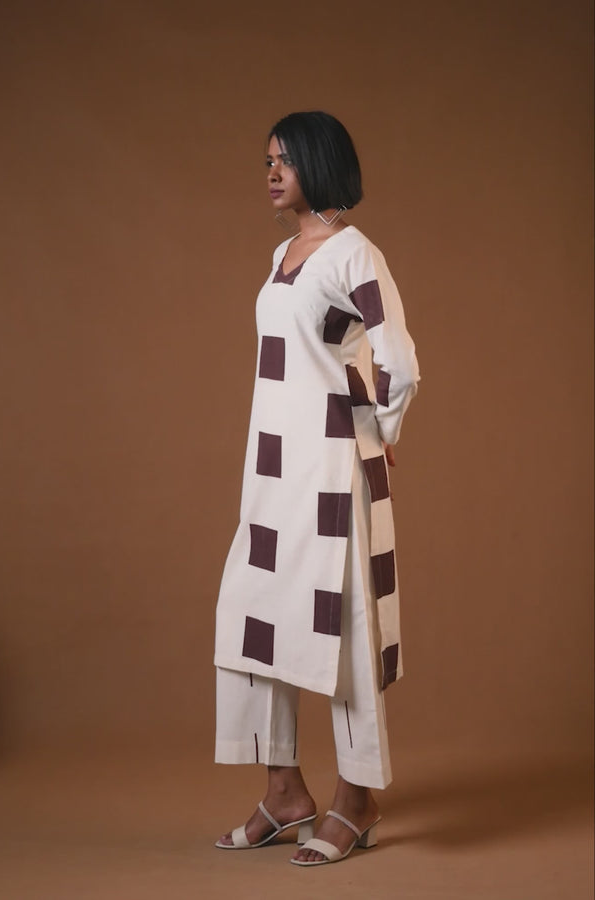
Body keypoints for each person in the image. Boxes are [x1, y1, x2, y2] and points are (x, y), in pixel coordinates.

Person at [213, 111, 419, 866]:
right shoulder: (282, 255)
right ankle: (284, 793)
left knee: (346, 626)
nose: (273, 173)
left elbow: (398, 362)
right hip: (272, 469)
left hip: (333, 471)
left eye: (287, 161)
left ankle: (356, 801)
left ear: (321, 165)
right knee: (254, 613)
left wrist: (378, 431)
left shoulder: (355, 253)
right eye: (267, 160)